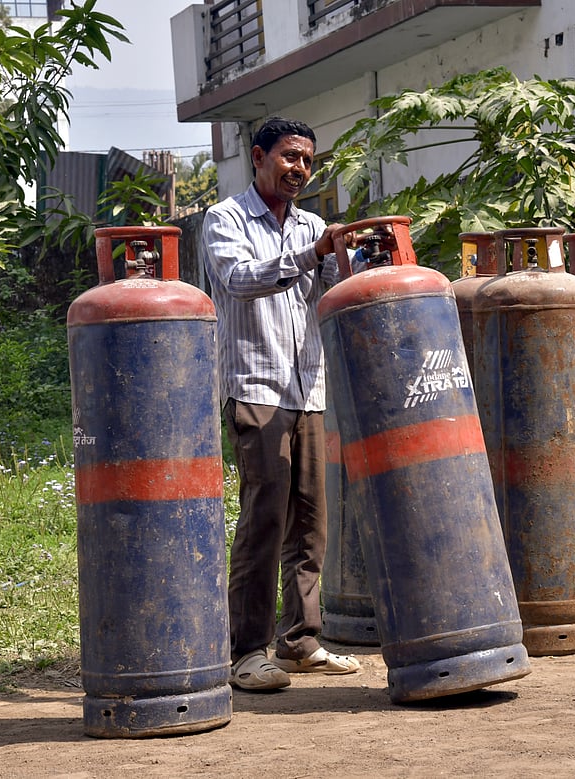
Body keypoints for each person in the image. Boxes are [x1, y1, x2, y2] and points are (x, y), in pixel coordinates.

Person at [202, 117, 361, 691]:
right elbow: (239, 280)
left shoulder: (314, 225)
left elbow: (328, 294)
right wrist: (311, 254)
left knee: (312, 524)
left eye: (309, 162)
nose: (300, 169)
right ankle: (246, 650)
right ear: (259, 156)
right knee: (265, 518)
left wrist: (353, 261)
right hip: (257, 386)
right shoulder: (226, 219)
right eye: (291, 157)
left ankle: (299, 642)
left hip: (307, 388)